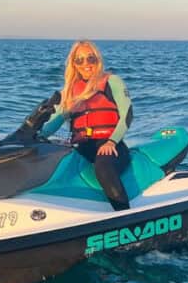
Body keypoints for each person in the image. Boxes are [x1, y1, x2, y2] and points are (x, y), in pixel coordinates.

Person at [40, 40, 133, 210]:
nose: (86, 64)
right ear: (73, 64)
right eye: (80, 60)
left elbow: (127, 115)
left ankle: (125, 216)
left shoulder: (112, 81)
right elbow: (54, 122)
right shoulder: (69, 91)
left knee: (103, 168)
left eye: (91, 58)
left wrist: (111, 141)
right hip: (82, 147)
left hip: (111, 146)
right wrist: (34, 136)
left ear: (97, 60)